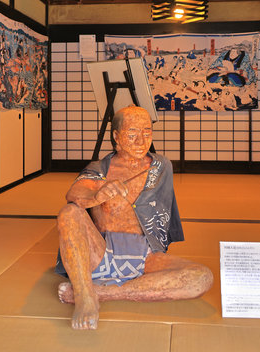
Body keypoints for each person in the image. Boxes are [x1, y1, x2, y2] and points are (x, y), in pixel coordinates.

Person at [55, 106, 213, 330]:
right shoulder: (100, 168)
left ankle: (99, 292)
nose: (141, 141)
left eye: (147, 132)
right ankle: (84, 297)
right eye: (132, 134)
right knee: (69, 212)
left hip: (146, 257)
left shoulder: (161, 167)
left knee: (202, 278)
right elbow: (75, 193)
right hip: (100, 253)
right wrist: (97, 194)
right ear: (116, 136)